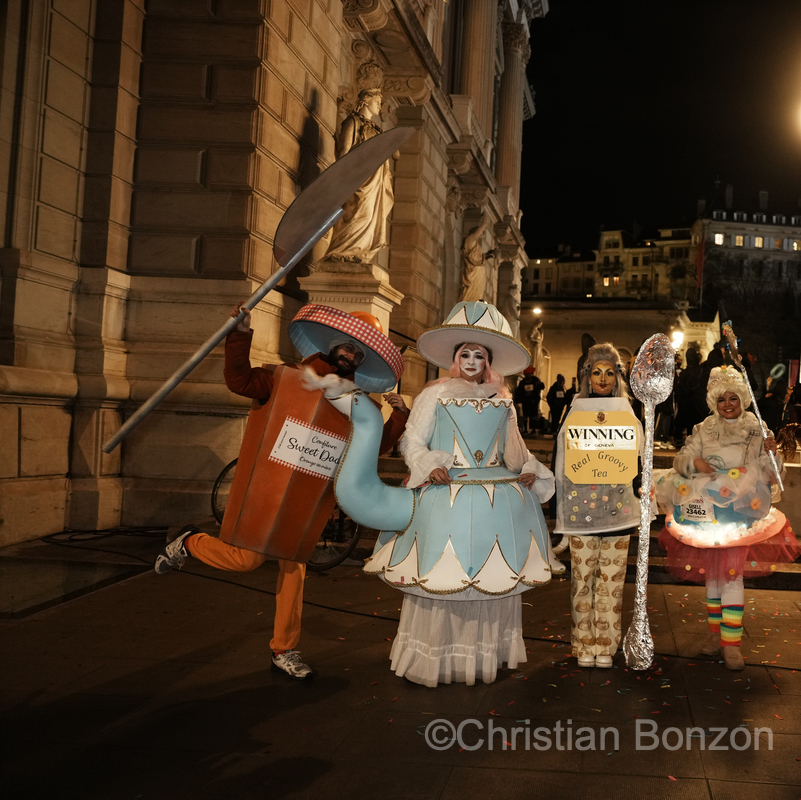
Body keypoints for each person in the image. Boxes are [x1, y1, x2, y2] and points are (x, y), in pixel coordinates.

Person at [155, 304, 407, 679]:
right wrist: (239, 334)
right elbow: (239, 381)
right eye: (347, 346)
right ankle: (190, 542)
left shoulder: (359, 406)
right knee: (247, 561)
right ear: (331, 345)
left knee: (295, 570)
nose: (351, 355)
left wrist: (399, 416)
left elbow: (377, 447)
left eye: (359, 352)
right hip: (264, 491)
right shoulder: (284, 377)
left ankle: (284, 649)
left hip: (308, 500)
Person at [361, 301, 555, 687]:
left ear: (488, 361)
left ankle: (486, 655)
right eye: (464, 353)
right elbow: (412, 440)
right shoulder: (434, 394)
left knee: (494, 577)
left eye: (478, 354)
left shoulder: (503, 399)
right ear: (455, 358)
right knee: (442, 574)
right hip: (445, 494)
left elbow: (514, 449)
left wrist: (530, 470)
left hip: (496, 500)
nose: (470, 360)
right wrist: (428, 464)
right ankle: (439, 659)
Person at [654, 366, 801, 670]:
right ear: (713, 402)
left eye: (734, 398)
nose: (728, 404)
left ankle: (731, 643)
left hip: (740, 509)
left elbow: (774, 473)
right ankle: (714, 636)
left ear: (744, 398)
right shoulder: (703, 428)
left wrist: (773, 455)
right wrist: (694, 462)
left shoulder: (757, 427)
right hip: (706, 508)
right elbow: (682, 458)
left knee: (731, 575)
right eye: (722, 399)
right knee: (713, 576)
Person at [555, 343, 642, 668]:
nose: (602, 379)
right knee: (582, 581)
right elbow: (562, 459)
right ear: (587, 377)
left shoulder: (626, 410)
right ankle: (582, 644)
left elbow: (637, 458)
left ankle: (605, 644)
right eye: (596, 372)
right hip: (582, 513)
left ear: (617, 376)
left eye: (609, 372)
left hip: (618, 513)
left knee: (611, 583)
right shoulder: (576, 409)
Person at [324, 89, 393, 264]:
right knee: (355, 213)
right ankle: (342, 252)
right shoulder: (352, 122)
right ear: (366, 100)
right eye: (377, 100)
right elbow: (345, 153)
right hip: (358, 181)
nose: (380, 104)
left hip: (375, 183)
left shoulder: (377, 130)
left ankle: (359, 253)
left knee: (369, 216)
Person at [516, 365, 545, 435]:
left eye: (529, 374)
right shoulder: (522, 382)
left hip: (534, 401)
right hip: (526, 401)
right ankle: (525, 429)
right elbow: (519, 391)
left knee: (534, 416)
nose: (528, 376)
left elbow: (542, 386)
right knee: (525, 415)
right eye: (527, 374)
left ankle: (534, 429)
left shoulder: (535, 380)